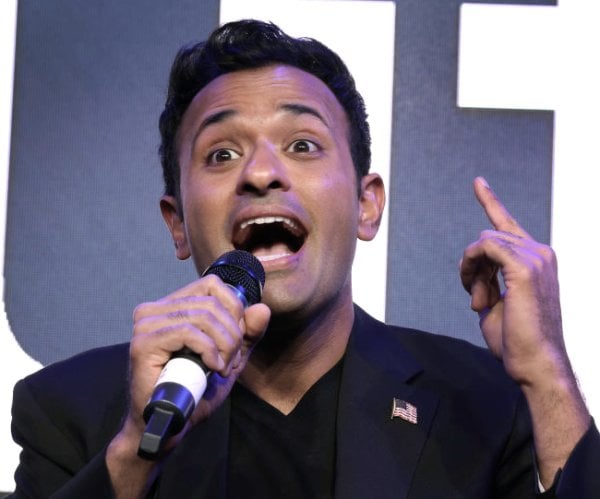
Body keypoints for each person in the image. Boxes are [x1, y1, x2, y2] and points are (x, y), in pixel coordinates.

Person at [9, 19, 599, 498]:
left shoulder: (483, 404)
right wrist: (137, 451)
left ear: (367, 206)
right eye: (221, 154)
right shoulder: (70, 410)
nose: (261, 173)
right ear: (178, 223)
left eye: (302, 144)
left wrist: (546, 374)